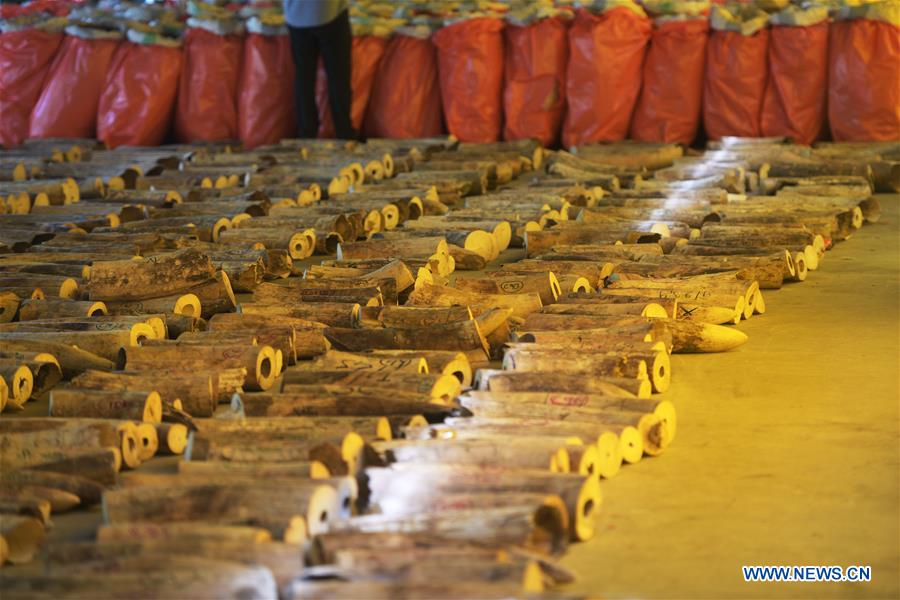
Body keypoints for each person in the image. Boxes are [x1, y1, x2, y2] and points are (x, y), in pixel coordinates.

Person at [283, 0, 356, 140]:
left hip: (296, 16)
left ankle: (306, 133)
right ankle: (344, 132)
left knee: (303, 78)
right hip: (329, 13)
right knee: (338, 76)